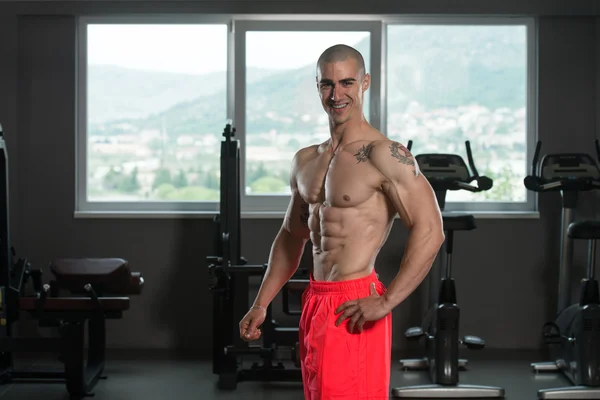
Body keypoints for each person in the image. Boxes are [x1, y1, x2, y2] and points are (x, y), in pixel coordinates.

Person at [239, 44, 445, 399]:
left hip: (354, 302)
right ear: (317, 87)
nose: (337, 94)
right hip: (316, 299)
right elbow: (292, 236)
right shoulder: (306, 159)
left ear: (365, 83)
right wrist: (261, 303)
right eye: (327, 85)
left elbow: (431, 230)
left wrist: (386, 301)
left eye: (347, 82)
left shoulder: (384, 155)